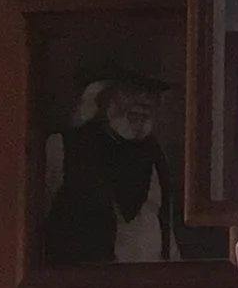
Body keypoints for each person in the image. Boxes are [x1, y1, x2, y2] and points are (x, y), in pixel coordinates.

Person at [40, 57, 184, 267]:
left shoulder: (154, 155)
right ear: (104, 96)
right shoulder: (63, 147)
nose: (143, 102)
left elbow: (164, 231)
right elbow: (35, 226)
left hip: (149, 282)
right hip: (85, 283)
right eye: (131, 91)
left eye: (151, 94)